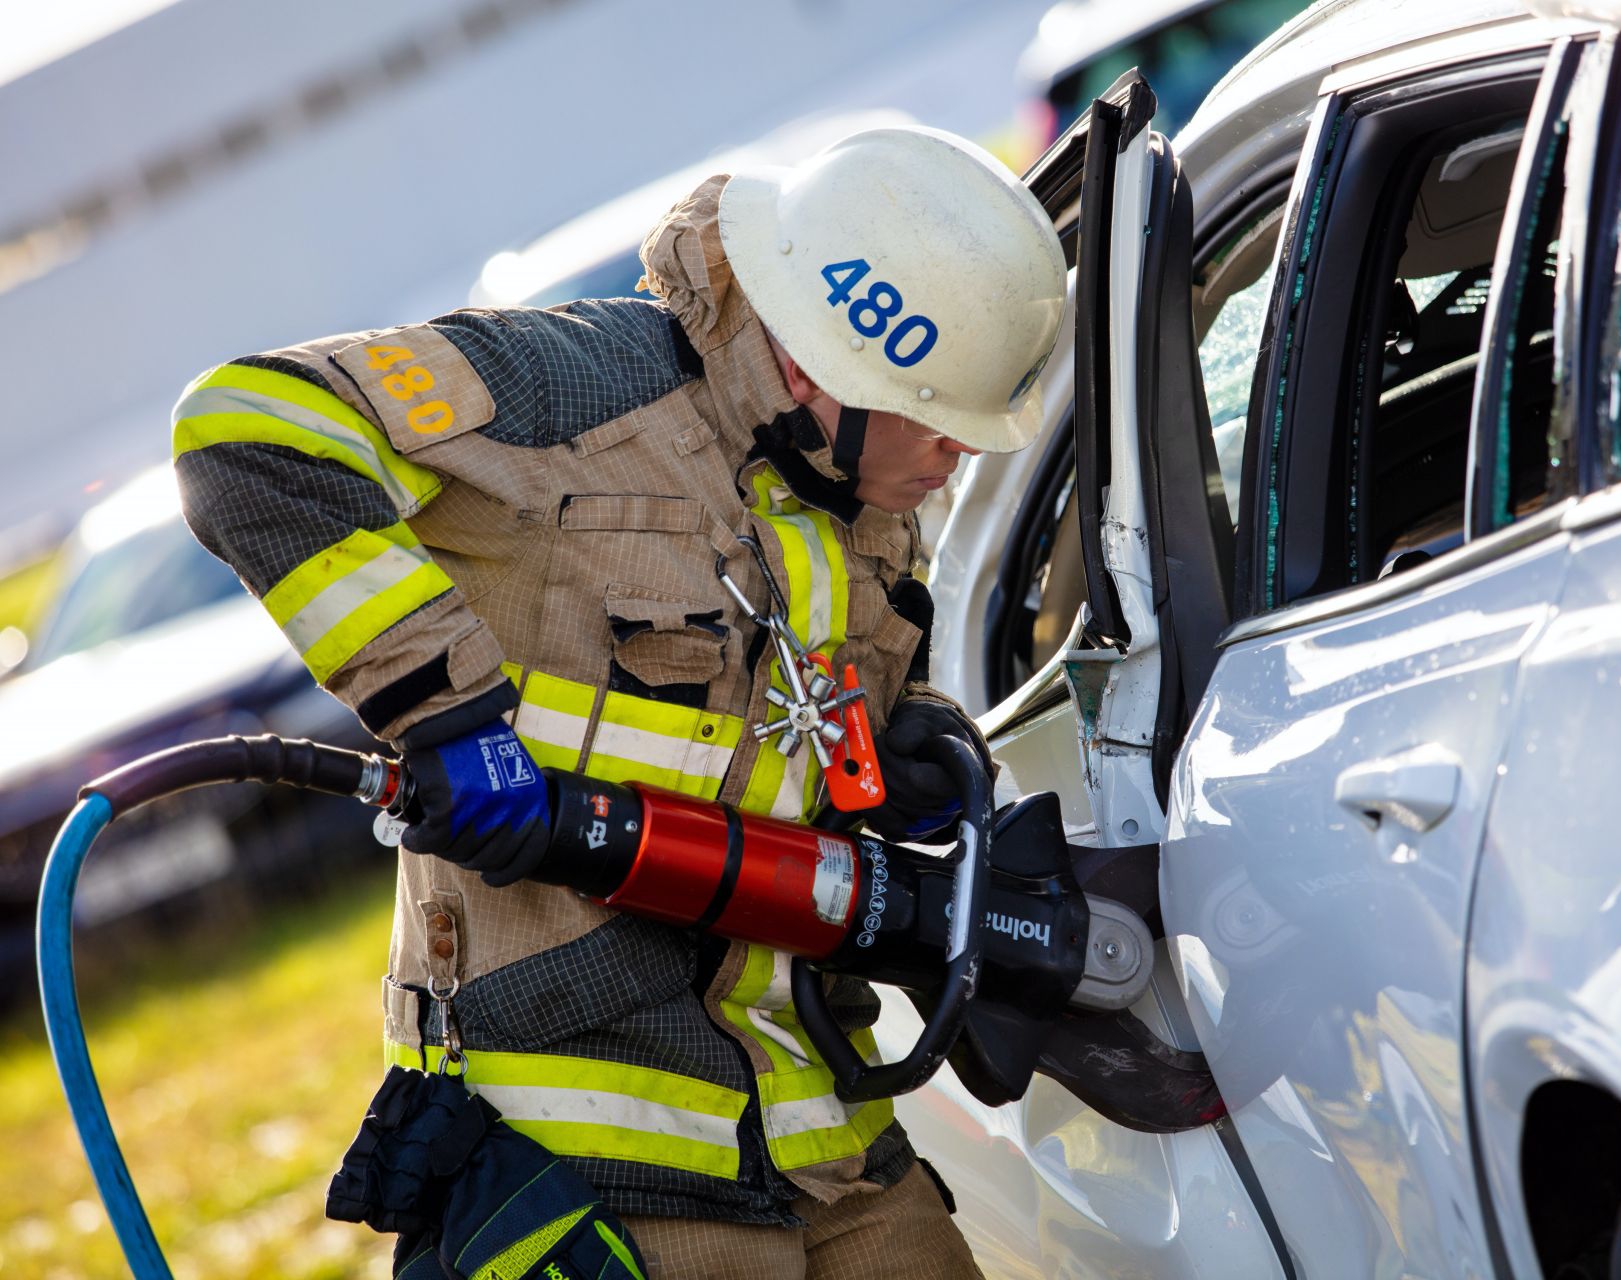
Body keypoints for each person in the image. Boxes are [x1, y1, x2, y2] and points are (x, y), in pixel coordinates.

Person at [170, 125, 1068, 1279]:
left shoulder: (855, 486)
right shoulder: (570, 392)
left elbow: (766, 711)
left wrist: (889, 751)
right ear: (814, 369)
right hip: (594, 1144)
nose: (953, 457)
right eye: (933, 418)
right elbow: (251, 429)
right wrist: (445, 709)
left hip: (824, 1129)